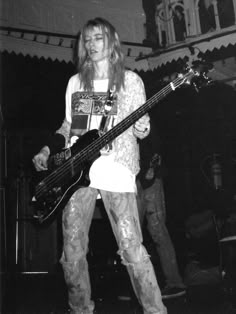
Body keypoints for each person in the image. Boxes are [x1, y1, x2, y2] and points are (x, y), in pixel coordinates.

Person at [32, 17, 167, 314]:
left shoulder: (130, 81)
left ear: (111, 43)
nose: (92, 45)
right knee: (72, 251)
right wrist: (47, 147)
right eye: (87, 39)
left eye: (98, 38)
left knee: (132, 248)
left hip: (116, 170)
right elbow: (70, 126)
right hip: (76, 172)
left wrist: (143, 129)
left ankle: (156, 311)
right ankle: (80, 309)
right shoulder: (76, 82)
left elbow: (139, 126)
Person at [136, 124, 186, 299]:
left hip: (150, 181)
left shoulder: (143, 118)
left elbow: (157, 145)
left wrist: (152, 168)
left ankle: (175, 283)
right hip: (133, 182)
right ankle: (140, 288)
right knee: (133, 236)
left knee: (158, 232)